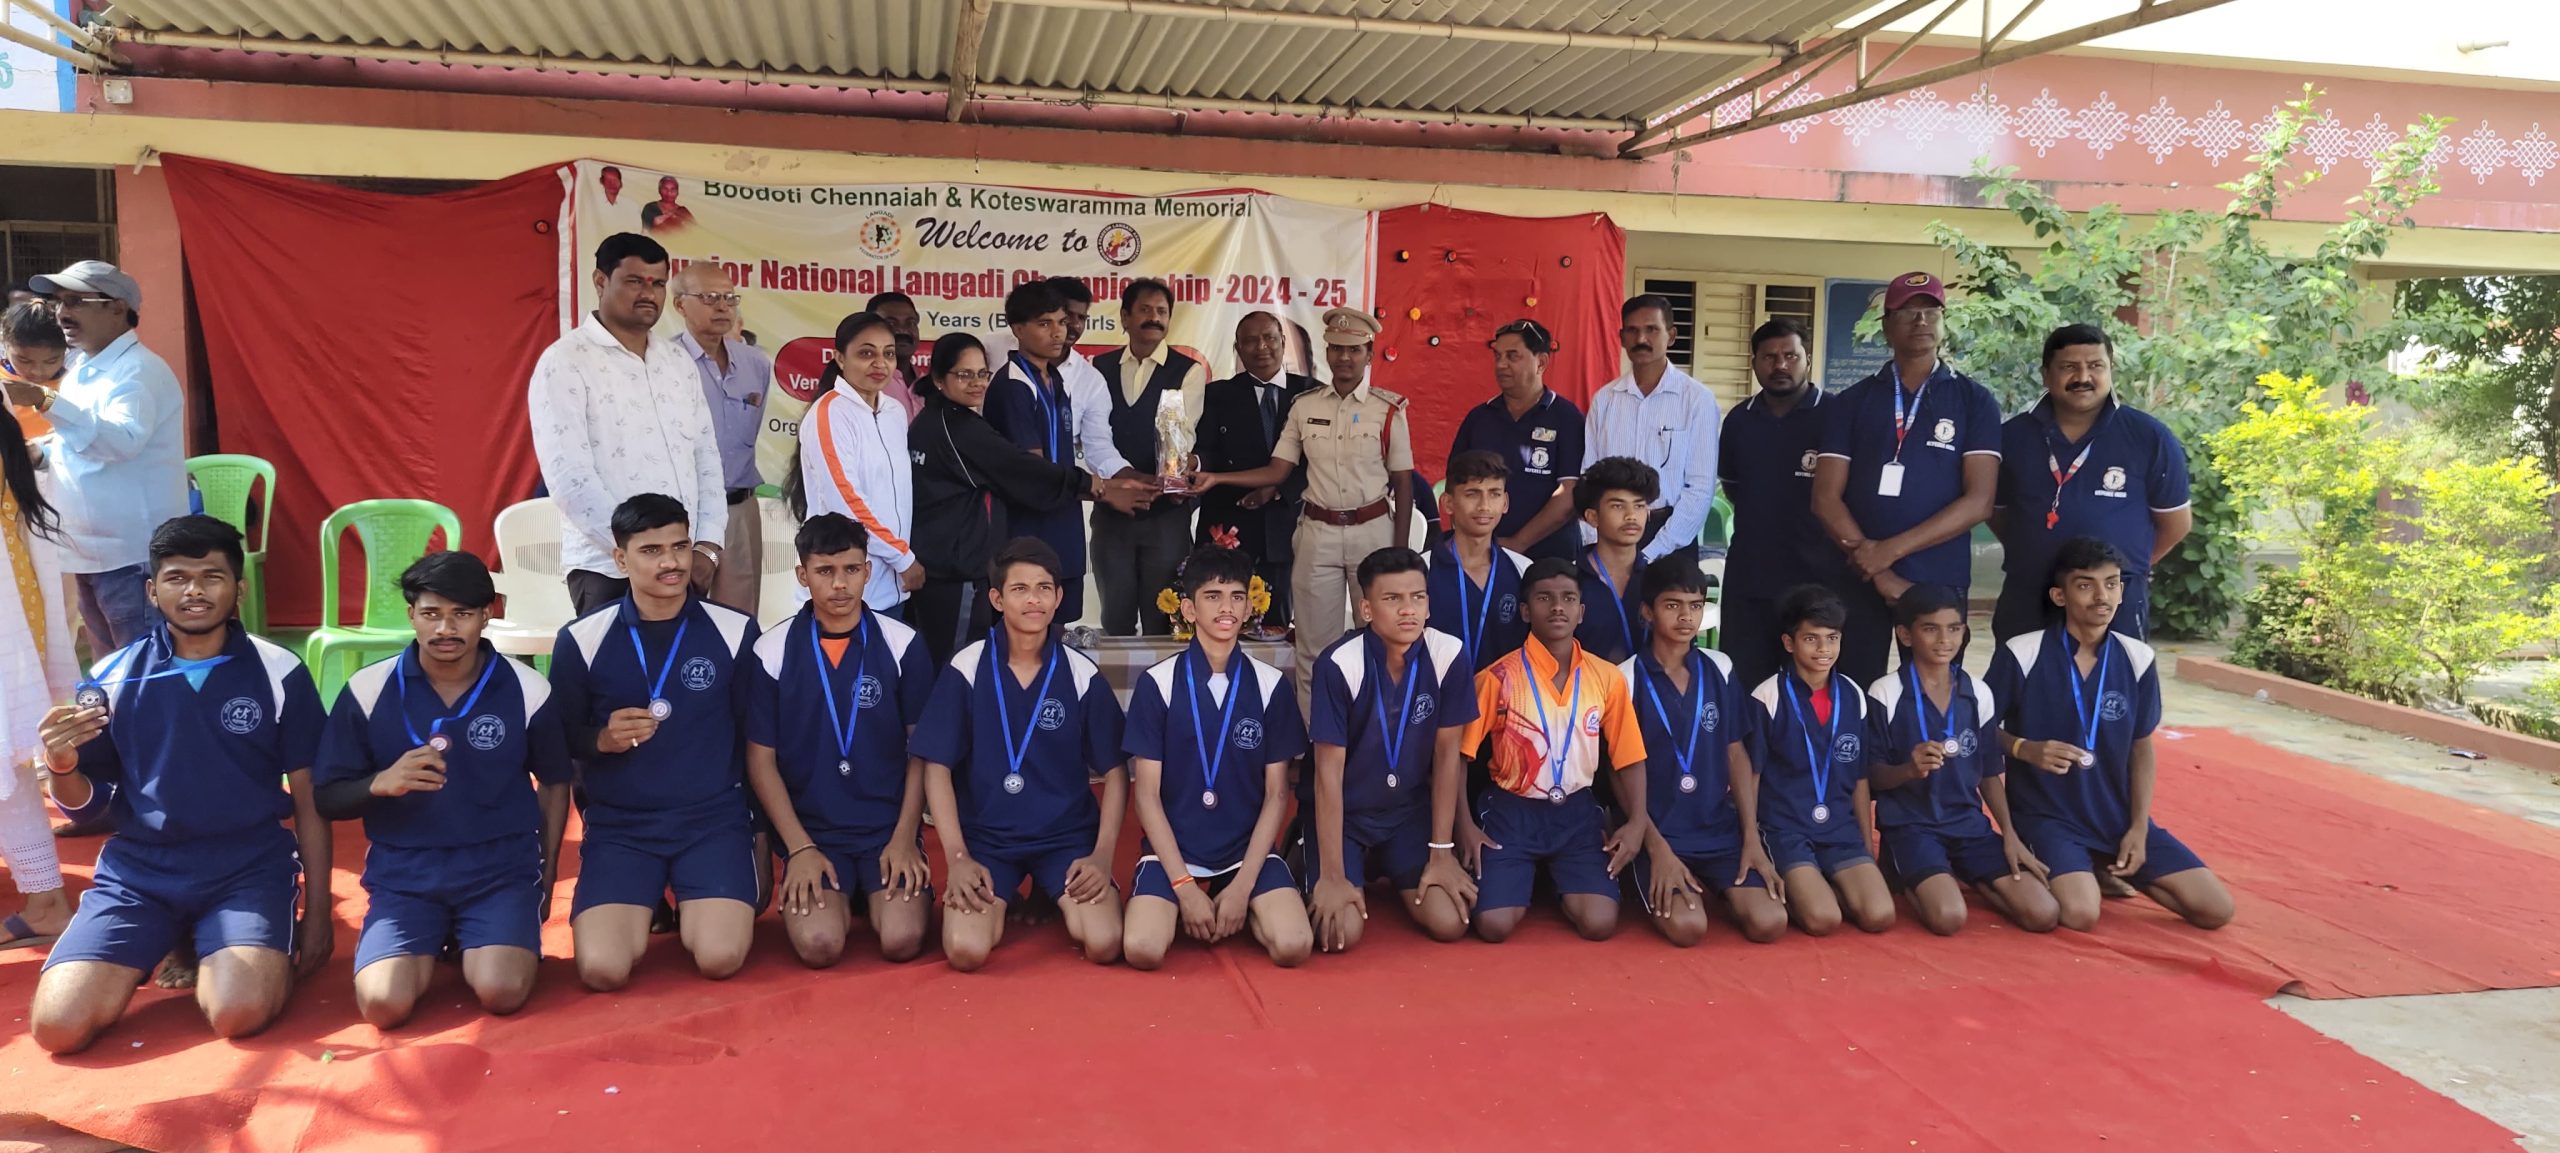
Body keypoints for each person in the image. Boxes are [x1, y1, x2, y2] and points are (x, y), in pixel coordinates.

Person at [28, 516, 333, 1054]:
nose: (194, 591)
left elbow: (310, 798)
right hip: (140, 873)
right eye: (177, 578)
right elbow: (84, 808)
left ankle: (213, 940)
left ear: (238, 589)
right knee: (57, 1026)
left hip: (247, 867)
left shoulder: (279, 670)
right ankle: (173, 934)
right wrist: (61, 765)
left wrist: (321, 914)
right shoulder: (111, 677)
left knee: (239, 1012)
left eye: (212, 576)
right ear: (152, 591)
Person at [314, 552, 572, 1027]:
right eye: (431, 613)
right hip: (405, 875)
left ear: (487, 615)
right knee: (383, 1005)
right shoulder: (368, 689)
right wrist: (378, 783)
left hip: (499, 871)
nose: (445, 629)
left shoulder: (528, 688)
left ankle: (475, 936)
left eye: (462, 614)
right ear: (411, 614)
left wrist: (548, 871)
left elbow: (556, 782)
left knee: (501, 991)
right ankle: (436, 936)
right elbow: (326, 797)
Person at [547, 494, 761, 990]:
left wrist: (760, 838)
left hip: (712, 822)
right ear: (620, 560)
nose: (671, 562)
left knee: (720, 957)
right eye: (651, 551)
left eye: (680, 546)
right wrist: (602, 739)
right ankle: (650, 898)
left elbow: (757, 742)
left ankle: (692, 899)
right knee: (602, 970)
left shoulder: (735, 631)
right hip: (622, 827)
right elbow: (561, 741)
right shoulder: (581, 638)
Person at [1988, 538, 2235, 932]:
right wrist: (2023, 748)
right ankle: (2077, 866)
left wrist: (2138, 827)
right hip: (2047, 817)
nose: (2101, 596)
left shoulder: (2138, 657)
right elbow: (1977, 728)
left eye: (2112, 583)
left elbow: (2141, 747)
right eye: (2085, 585)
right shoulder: (2023, 653)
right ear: (2060, 595)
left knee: (2215, 909)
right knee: (2080, 913)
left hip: (2114, 816)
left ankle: (2105, 862)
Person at [914, 538, 1127, 971]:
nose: (1034, 599)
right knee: (966, 950)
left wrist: (1102, 856)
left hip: (1065, 838)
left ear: (1059, 597)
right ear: (997, 599)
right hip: (988, 841)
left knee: (1104, 942)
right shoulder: (966, 667)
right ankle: (1013, 891)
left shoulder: (1081, 673)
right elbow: (935, 766)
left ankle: (1052, 889)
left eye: (1044, 588)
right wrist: (957, 857)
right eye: (1020, 589)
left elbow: (1117, 771)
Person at [1190, 308, 1414, 714]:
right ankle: (1317, 738)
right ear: (1326, 353)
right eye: (1336, 349)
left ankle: (1379, 734)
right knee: (1314, 649)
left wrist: (1399, 555)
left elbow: (1403, 483)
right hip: (1318, 534)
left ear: (1369, 354)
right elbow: (1278, 470)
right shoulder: (1304, 405)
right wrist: (1216, 479)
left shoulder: (1388, 410)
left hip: (1372, 532)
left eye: (1354, 350)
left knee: (1382, 641)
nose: (1344, 357)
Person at [744, 514, 938, 967]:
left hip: (885, 830)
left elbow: (922, 752)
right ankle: (842, 890)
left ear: (868, 571)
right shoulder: (770, 651)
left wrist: (905, 837)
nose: (839, 584)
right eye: (824, 571)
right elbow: (760, 760)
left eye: (851, 569)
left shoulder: (903, 644)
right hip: (814, 831)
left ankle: (869, 889)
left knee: (902, 940)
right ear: (802, 575)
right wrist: (800, 847)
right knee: (820, 945)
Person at [909, 333, 1153, 666]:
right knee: (959, 668)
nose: (977, 383)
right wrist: (1099, 488)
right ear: (939, 378)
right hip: (957, 573)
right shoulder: (957, 427)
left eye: (981, 373)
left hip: (950, 567)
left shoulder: (941, 419)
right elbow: (1021, 469)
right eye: (964, 374)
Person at [1121, 545, 1312, 969]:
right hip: (1175, 851)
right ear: (1189, 609)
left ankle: (1239, 900)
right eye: (1213, 596)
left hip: (1245, 850)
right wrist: (1184, 887)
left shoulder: (1270, 685)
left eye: (1236, 597)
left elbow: (1277, 795)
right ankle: (1193, 902)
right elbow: (1146, 797)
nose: (1227, 608)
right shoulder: (1158, 683)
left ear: (1249, 607)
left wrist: (1243, 888)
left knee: (1294, 945)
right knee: (1142, 948)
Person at [1811, 272, 2002, 688]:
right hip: (1859, 576)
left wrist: (1889, 551)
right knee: (1854, 690)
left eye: (1931, 312)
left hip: (1938, 578)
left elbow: (1979, 501)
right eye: (1908, 312)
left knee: (1934, 692)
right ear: (1886, 326)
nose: (1921, 321)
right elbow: (1825, 497)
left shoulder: (1974, 400)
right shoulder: (1852, 402)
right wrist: (1878, 569)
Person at [529, 234, 730, 616]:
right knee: (613, 658)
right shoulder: (565, 361)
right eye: (635, 281)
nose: (648, 294)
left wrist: (706, 547)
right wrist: (642, 554)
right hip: (607, 566)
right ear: (600, 281)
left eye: (657, 283)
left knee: (684, 657)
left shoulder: (677, 362)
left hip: (683, 568)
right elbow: (569, 477)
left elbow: (706, 458)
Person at [1458, 557, 1649, 943]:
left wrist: (1637, 822)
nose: (1558, 607)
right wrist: (1463, 826)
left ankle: (1551, 876)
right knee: (1493, 926)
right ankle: (1526, 874)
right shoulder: (1497, 678)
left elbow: (1628, 757)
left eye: (1568, 598)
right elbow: (1457, 759)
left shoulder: (1607, 678)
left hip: (1577, 813)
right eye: (1544, 598)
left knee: (1599, 923)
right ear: (1526, 611)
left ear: (1582, 611)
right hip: (1511, 811)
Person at [1, 262, 186, 656]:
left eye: (75, 302)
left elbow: (121, 442)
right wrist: (37, 453)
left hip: (130, 555)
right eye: (58, 302)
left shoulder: (138, 371)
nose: (62, 313)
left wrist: (44, 399)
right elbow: (78, 443)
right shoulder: (84, 367)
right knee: (110, 668)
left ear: (117, 308)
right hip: (89, 551)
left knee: (142, 667)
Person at [1301, 547, 1476, 953]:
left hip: (1405, 814)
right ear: (1366, 608)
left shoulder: (1449, 654)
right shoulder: (1338, 663)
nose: (1408, 610)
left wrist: (1442, 852)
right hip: (1346, 814)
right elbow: (1327, 774)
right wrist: (1332, 875)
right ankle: (1310, 853)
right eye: (1392, 599)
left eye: (1417, 597)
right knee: (1340, 935)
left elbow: (1447, 757)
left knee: (1449, 923)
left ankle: (1384, 862)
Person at [1863, 583, 2060, 936]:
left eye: (1954, 629)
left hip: (1968, 826)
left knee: (2043, 913)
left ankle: (1972, 876)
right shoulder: (1885, 692)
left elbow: (1989, 772)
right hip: (1911, 826)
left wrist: (2010, 835)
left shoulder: (1978, 693)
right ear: (1905, 635)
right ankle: (1904, 868)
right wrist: (1909, 770)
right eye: (1930, 629)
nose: (1944, 640)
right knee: (1948, 917)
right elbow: (1872, 776)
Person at [1620, 556, 1787, 946]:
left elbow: (1735, 753)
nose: (1686, 617)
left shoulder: (1720, 667)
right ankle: (1650, 876)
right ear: (1647, 612)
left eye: (1696, 605)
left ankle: (1719, 886)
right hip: (1659, 831)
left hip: (1717, 830)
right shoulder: (1624, 677)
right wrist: (1656, 848)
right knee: (1688, 928)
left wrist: (1751, 837)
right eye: (1672, 605)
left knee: (1771, 922)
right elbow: (1619, 771)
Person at [1991, 324, 2193, 641]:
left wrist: (2121, 570)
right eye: (2069, 367)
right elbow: (1996, 512)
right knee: (2022, 673)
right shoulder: (2012, 437)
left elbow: (2176, 524)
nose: (2083, 377)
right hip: (2029, 594)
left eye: (2095, 366)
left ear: (2110, 370)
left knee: (2113, 674)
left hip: (2113, 604)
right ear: (2046, 375)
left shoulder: (2148, 437)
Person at [1743, 585, 1895, 936]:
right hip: (1785, 829)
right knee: (1823, 919)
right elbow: (1751, 776)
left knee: (1880, 915)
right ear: (1789, 643)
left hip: (1839, 830)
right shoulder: (1767, 696)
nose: (1824, 649)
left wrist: (1865, 844)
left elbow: (1859, 778)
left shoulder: (1853, 695)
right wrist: (1750, 839)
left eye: (1832, 638)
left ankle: (1825, 883)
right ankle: (1809, 887)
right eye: (1811, 639)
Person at [1719, 318, 1848, 690]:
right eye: (1769, 357)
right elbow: (1734, 488)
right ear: (1754, 363)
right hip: (1751, 577)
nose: (1780, 365)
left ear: (1807, 359)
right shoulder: (1739, 420)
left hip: (1819, 577)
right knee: (1746, 684)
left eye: (1790, 356)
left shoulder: (1837, 415)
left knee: (1812, 686)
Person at [984, 281, 1113, 625]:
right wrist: (1097, 488)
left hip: (1063, 522)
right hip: (1028, 527)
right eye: (1045, 323)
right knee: (1027, 627)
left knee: (1060, 621)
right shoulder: (1013, 385)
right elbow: (1032, 470)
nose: (1058, 332)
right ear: (1017, 329)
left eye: (1062, 322)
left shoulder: (1055, 379)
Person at [1088, 279, 1207, 637]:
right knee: (1115, 619)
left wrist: (1172, 479)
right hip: (1113, 512)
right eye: (1144, 310)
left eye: (1161, 311)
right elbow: (1092, 438)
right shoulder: (1098, 368)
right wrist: (1120, 483)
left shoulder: (1188, 370)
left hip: (1164, 515)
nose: (1154, 318)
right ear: (1125, 317)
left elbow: (1182, 437)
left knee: (1164, 619)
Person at [0, 393, 75, 950]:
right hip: (16, 617)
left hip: (10, 620)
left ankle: (47, 899)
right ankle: (45, 896)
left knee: (8, 763)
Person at [1194, 311, 1318, 636]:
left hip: (1286, 524)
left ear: (1282, 342)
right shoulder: (1216, 394)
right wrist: (1193, 464)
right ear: (1238, 348)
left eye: (1269, 338)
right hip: (1229, 522)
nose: (1261, 347)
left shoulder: (1312, 393)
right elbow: (1207, 451)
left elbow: (1318, 460)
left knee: (1278, 629)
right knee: (1220, 624)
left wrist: (1277, 488)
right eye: (1250, 341)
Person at [799, 312, 923, 620]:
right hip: (844, 584)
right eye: (866, 354)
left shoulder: (894, 411)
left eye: (888, 354)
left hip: (891, 583)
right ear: (840, 358)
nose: (880, 364)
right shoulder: (830, 413)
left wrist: (900, 558)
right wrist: (902, 557)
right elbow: (846, 501)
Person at [1585, 295, 1720, 563]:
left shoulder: (1696, 399)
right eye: (1632, 330)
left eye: (1651, 330)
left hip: (1671, 538)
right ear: (1622, 338)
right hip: (1609, 536)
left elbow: (1700, 488)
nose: (1641, 339)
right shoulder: (1605, 399)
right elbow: (1588, 477)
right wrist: (1594, 541)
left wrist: (1653, 551)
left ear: (1671, 336)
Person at [672, 263, 772, 617]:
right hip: (684, 510)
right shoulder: (664, 363)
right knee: (677, 613)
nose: (722, 307)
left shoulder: (756, 364)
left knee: (738, 619)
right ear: (680, 305)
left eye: (729, 298)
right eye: (709, 298)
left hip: (739, 508)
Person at [1446, 319, 1584, 561]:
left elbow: (1570, 493)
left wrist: (1518, 543)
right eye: (1497, 356)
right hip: (1485, 556)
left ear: (1541, 362)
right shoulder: (1479, 418)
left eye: (1512, 356)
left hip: (1550, 560)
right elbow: (1455, 486)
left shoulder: (1566, 417)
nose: (1501, 364)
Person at [1426, 450, 1531, 670]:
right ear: (1448, 503)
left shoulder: (1523, 570)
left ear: (1505, 503)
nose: (1484, 506)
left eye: (1494, 494)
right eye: (1472, 494)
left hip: (1505, 690)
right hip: (1437, 690)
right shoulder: (1421, 570)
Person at [1574, 457, 1659, 665]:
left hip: (1647, 685)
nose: (1631, 516)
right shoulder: (1569, 581)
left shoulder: (1659, 580)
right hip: (1586, 684)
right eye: (1618, 506)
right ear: (1592, 517)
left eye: (1639, 506)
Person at [4, 299, 66, 447]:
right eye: (24, 360)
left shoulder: (75, 384)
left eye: (51, 361)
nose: (37, 371)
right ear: (5, 344)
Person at [861, 291, 924, 416]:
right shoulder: (862, 384)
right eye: (891, 323)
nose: (903, 330)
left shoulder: (930, 384)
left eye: (911, 322)